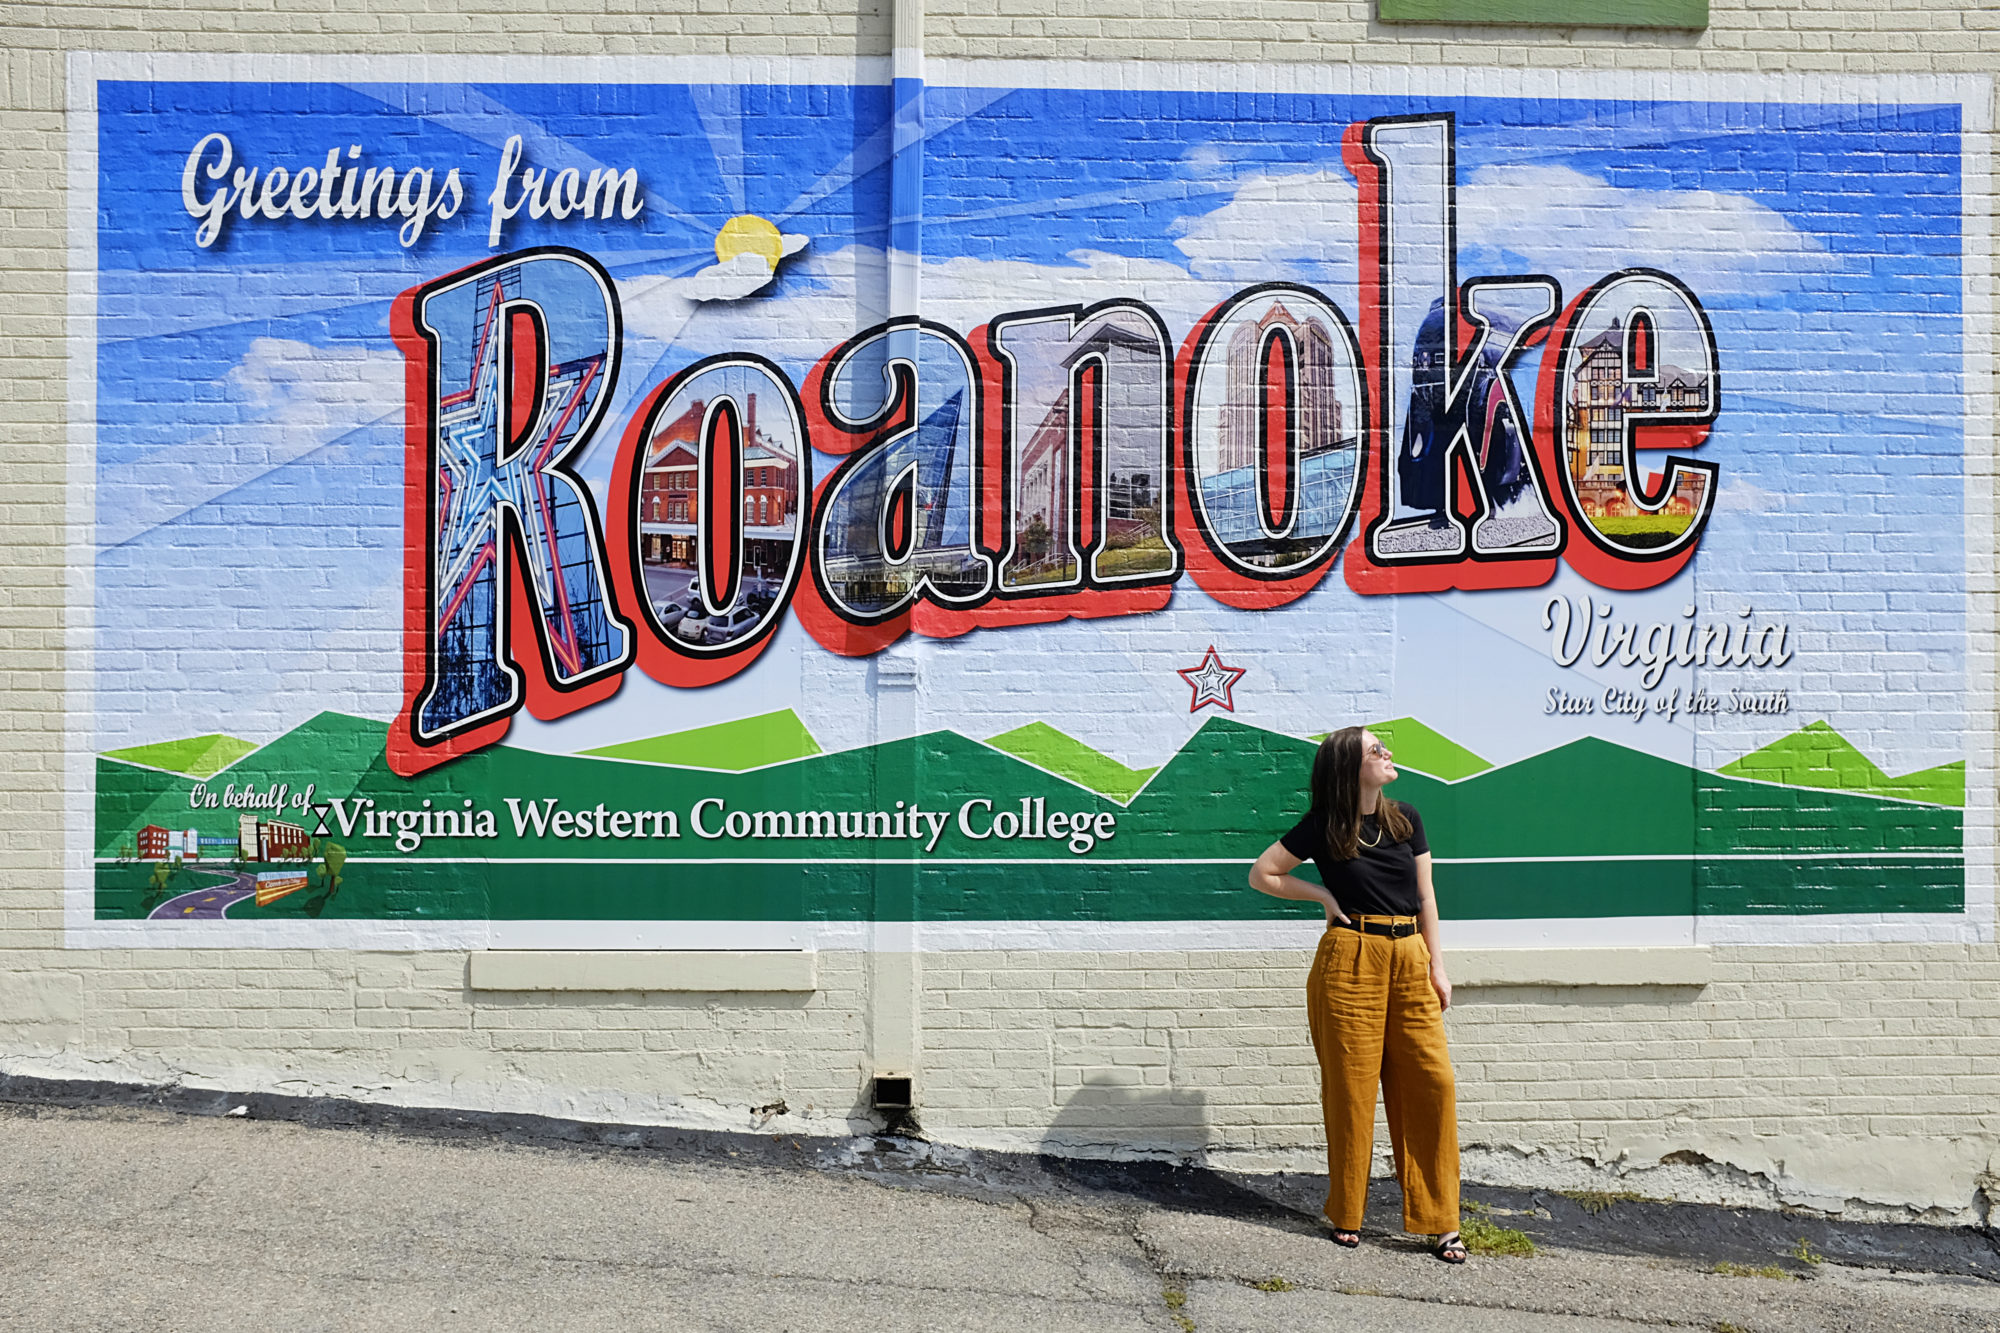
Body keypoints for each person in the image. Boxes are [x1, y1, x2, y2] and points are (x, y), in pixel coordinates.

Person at [1247, 726, 1464, 1264]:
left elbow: (1426, 896)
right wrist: (1320, 892)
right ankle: (1348, 1212)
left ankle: (1441, 1222)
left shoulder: (1406, 817)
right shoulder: (1324, 826)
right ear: (1349, 767)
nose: (1387, 754)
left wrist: (1438, 966)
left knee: (1432, 1083)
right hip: (1350, 958)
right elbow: (1263, 874)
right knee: (1351, 1089)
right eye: (1375, 750)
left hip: (1410, 956)